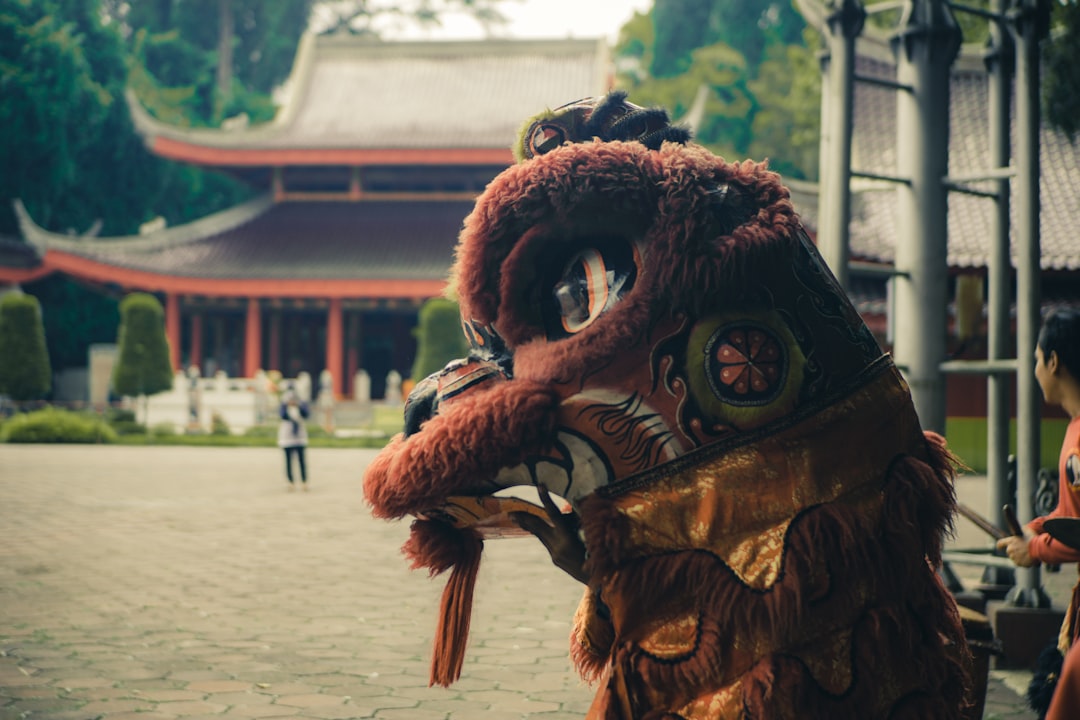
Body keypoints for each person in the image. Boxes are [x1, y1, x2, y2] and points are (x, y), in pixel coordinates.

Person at [997, 309, 1080, 720]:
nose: (1034, 369)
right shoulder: (1074, 430)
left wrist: (1037, 550)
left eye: (1035, 359)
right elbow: (1071, 513)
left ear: (1053, 361)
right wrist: (1038, 527)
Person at [278, 388, 310, 491]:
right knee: (288, 461)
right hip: (287, 436)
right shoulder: (284, 406)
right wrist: (287, 406)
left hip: (300, 436)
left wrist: (299, 406)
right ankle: (290, 482)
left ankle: (304, 481)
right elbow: (282, 415)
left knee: (301, 460)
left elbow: (306, 414)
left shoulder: (301, 405)